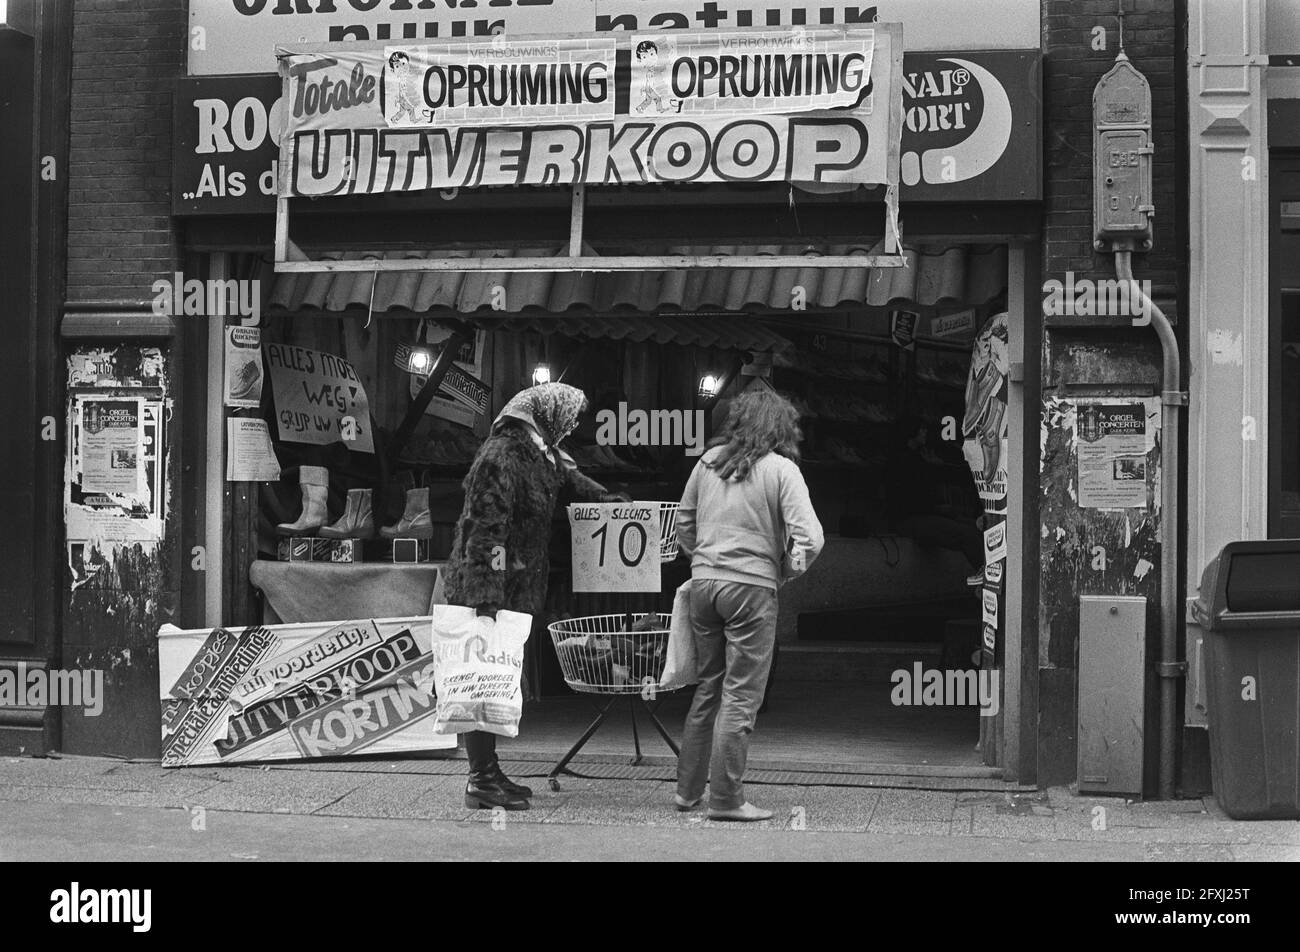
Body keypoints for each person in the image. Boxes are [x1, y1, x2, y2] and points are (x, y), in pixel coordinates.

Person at [439, 382, 626, 811]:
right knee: (481, 680)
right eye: (572, 415)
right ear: (547, 413)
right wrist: (491, 590)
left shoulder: (537, 451)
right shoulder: (501, 455)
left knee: (499, 679)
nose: (575, 424)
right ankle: (480, 779)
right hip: (486, 589)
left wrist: (605, 499)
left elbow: (567, 476)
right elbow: (486, 528)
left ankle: (489, 770)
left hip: (513, 589)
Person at [673, 387, 824, 821]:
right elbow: (810, 538)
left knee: (708, 689)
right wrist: (786, 570)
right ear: (782, 428)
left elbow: (683, 521)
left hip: (704, 586)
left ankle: (686, 793)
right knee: (740, 697)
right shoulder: (781, 470)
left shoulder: (707, 463)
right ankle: (726, 799)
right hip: (751, 590)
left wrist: (703, 558)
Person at [887, 415, 985, 584]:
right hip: (911, 519)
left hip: (925, 513)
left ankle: (990, 574)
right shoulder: (902, 460)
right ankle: (989, 578)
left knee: (973, 528)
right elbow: (909, 502)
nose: (925, 432)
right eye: (921, 429)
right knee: (965, 534)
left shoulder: (917, 457)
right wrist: (939, 508)